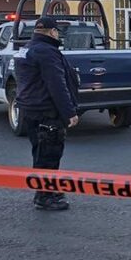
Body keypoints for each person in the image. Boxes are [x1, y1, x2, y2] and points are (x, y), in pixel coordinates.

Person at [14, 16, 79, 211]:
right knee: (49, 154)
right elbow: (56, 85)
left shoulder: (27, 49)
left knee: (40, 151)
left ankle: (49, 189)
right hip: (47, 111)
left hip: (31, 109)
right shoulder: (47, 52)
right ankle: (44, 196)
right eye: (57, 31)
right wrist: (70, 112)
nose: (57, 34)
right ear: (52, 32)